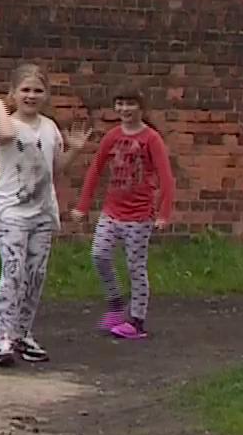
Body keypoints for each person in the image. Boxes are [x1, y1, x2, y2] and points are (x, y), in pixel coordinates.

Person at [0, 66, 89, 366]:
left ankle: (23, 333)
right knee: (13, 272)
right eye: (25, 90)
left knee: (35, 275)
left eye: (38, 90)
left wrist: (75, 150)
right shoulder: (6, 123)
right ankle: (4, 337)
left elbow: (55, 168)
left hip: (42, 211)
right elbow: (6, 135)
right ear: (14, 93)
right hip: (11, 210)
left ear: (47, 95)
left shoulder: (50, 128)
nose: (31, 96)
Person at [70, 90, 176, 340]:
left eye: (130, 104)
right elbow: (95, 170)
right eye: (120, 104)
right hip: (111, 212)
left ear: (141, 107)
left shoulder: (151, 139)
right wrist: (82, 206)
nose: (124, 109)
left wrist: (164, 213)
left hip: (139, 216)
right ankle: (116, 303)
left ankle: (137, 320)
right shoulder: (112, 136)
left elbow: (166, 177)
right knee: (99, 255)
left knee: (135, 267)